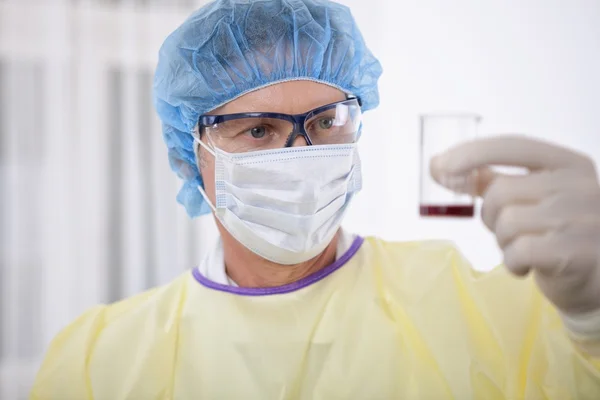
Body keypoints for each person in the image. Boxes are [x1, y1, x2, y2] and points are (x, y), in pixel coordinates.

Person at [31, 0, 600, 398]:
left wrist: (592, 320)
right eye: (258, 130)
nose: (304, 153)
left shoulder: (471, 305)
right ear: (191, 154)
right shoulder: (100, 362)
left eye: (327, 121)